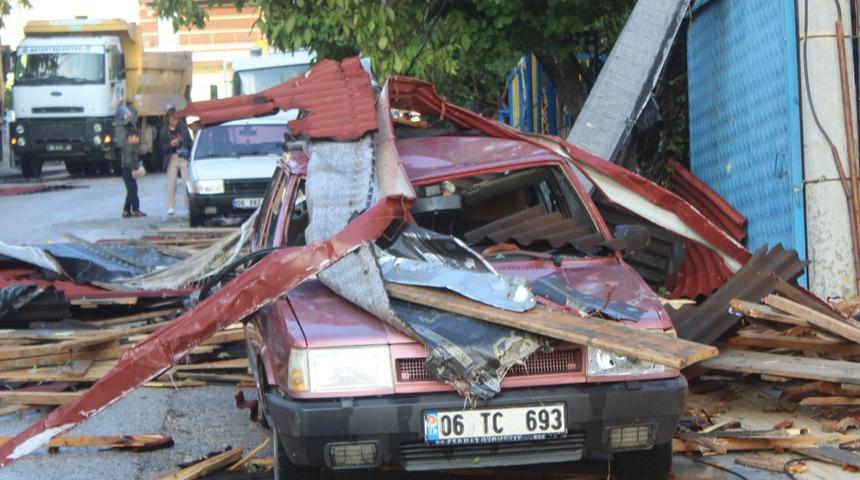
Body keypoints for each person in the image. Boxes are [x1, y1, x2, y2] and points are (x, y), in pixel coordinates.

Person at [159, 105, 193, 216]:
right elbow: (162, 148)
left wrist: (191, 154)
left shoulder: (183, 127)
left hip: (183, 156)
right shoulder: (164, 131)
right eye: (172, 118)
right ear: (168, 119)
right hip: (172, 157)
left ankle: (189, 205)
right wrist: (171, 144)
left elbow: (189, 141)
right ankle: (170, 206)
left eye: (177, 118)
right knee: (171, 184)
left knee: (186, 182)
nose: (175, 121)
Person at [121, 127, 146, 217]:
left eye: (138, 137)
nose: (137, 139)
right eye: (135, 137)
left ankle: (126, 210)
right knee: (133, 190)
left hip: (130, 169)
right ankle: (135, 210)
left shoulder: (133, 147)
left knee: (131, 190)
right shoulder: (129, 147)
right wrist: (133, 170)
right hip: (128, 170)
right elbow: (128, 161)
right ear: (129, 137)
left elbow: (134, 159)